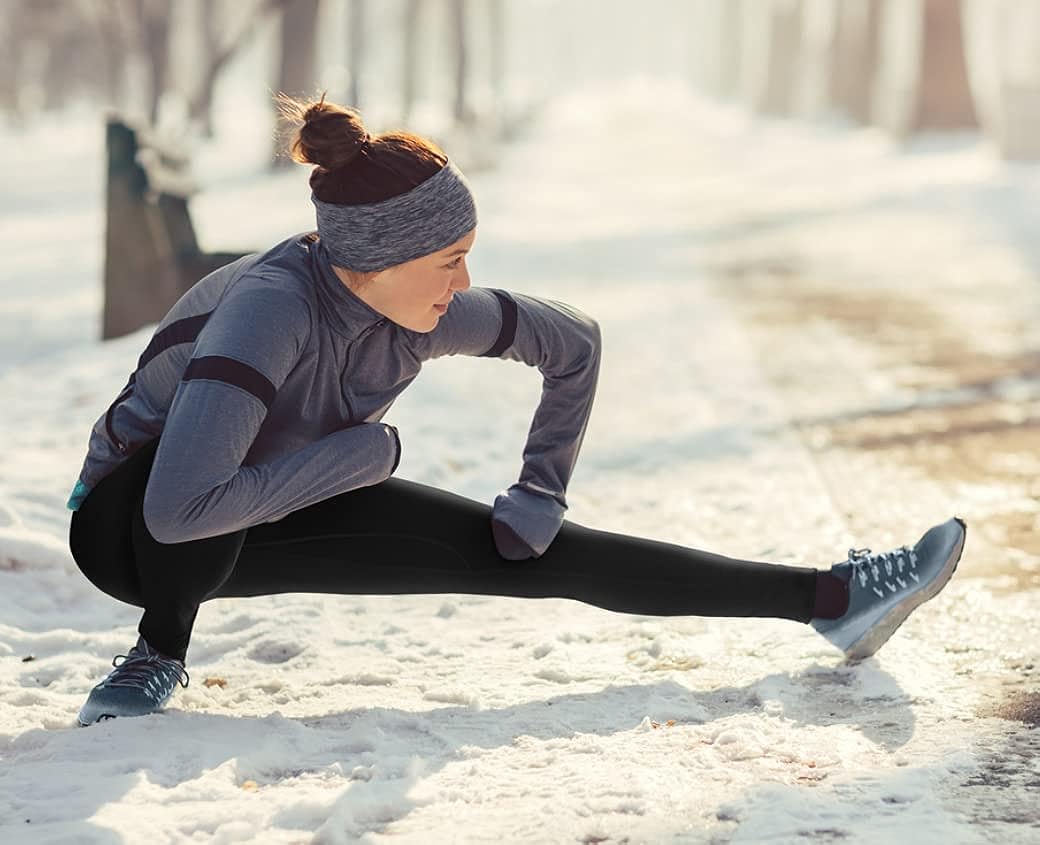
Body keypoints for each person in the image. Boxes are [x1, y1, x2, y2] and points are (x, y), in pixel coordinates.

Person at [67, 93, 967, 727]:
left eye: (469, 254)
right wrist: (363, 457)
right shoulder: (271, 309)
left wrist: (541, 491)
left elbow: (572, 341)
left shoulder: (413, 309)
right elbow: (177, 506)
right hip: (135, 529)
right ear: (375, 260)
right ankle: (157, 649)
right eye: (448, 259)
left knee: (528, 555)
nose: (463, 282)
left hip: (269, 498)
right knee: (209, 473)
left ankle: (831, 597)